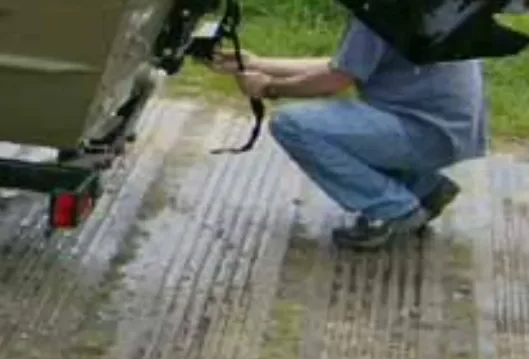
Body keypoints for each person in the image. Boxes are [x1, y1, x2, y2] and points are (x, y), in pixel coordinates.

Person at [202, 16, 489, 250]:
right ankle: (423, 187)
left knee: (293, 125)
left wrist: (269, 88)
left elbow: (334, 80)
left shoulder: (379, 8)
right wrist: (257, 64)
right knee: (341, 125)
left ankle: (393, 209)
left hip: (422, 132)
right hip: (447, 131)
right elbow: (343, 65)